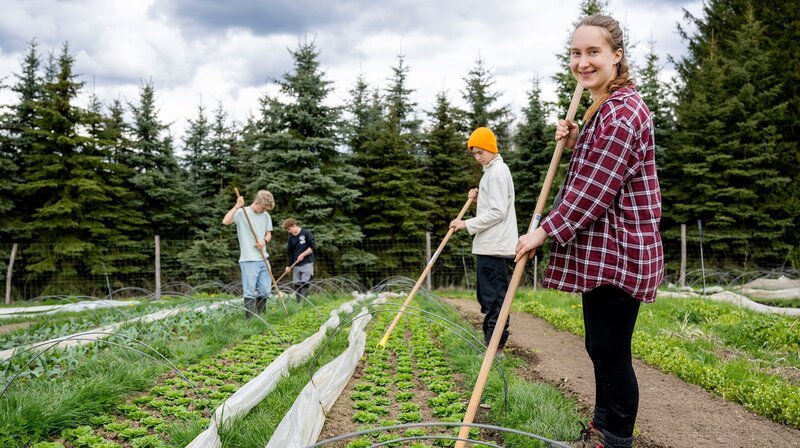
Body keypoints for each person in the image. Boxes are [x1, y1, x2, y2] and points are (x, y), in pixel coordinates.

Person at [515, 14, 664, 448]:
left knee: (611, 351)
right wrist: (579, 135)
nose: (582, 62)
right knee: (599, 346)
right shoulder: (605, 107)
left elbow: (594, 191)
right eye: (576, 53)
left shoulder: (620, 113)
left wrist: (544, 231)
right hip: (607, 252)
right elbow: (602, 164)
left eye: (593, 52)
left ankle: (616, 439)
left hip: (622, 252)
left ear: (617, 55)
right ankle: (602, 428)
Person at [450, 126, 518, 359]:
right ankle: (491, 345)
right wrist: (482, 196)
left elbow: (498, 212)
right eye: (474, 153)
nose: (477, 157)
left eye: (480, 152)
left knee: (494, 298)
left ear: (490, 148)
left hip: (496, 247)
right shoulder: (491, 171)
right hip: (489, 246)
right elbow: (495, 203)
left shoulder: (497, 172)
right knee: (486, 297)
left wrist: (466, 224)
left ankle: (496, 349)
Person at [222, 190, 275, 317]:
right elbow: (226, 221)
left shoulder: (266, 215)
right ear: (256, 202)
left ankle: (262, 317)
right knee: (250, 291)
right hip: (248, 259)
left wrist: (264, 241)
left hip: (263, 258)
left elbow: (269, 233)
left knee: (265, 290)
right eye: (263, 208)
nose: (264, 211)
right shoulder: (242, 212)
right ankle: (250, 320)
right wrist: (237, 206)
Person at [282, 218, 316, 302]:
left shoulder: (306, 233)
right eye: (288, 230)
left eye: (289, 229)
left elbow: (313, 247)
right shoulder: (290, 238)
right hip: (296, 265)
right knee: (296, 284)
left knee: (305, 282)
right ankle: (298, 303)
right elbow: (290, 253)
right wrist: (289, 266)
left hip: (307, 263)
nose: (289, 232)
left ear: (294, 225)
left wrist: (303, 254)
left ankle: (302, 303)